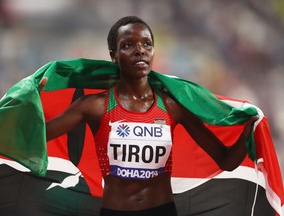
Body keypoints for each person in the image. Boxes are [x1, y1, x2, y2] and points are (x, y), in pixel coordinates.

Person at [40, 16, 258, 216]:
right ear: (113, 56)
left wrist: (248, 132)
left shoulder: (172, 106)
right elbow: (37, 136)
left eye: (147, 44)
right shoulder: (95, 106)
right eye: (128, 45)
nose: (140, 51)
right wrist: (33, 101)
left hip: (163, 210)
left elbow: (226, 161)